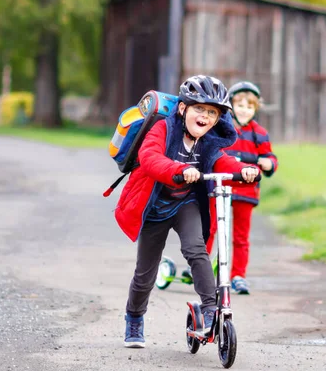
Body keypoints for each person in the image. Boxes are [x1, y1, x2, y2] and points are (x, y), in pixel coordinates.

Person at [115, 75, 260, 348]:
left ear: (217, 119)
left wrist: (243, 171)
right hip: (155, 206)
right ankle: (134, 317)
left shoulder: (208, 141)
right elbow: (149, 157)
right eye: (199, 109)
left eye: (211, 113)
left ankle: (209, 309)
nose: (204, 116)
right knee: (146, 273)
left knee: (197, 249)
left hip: (186, 203)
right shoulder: (163, 129)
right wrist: (180, 170)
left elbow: (221, 161)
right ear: (183, 109)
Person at [206, 81, 278, 295]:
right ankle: (200, 269)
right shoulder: (222, 128)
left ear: (255, 109)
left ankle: (238, 275)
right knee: (210, 228)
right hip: (220, 187)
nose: (244, 111)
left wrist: (269, 163)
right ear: (231, 106)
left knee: (240, 236)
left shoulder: (259, 133)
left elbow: (269, 155)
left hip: (245, 191)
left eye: (249, 107)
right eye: (240, 106)